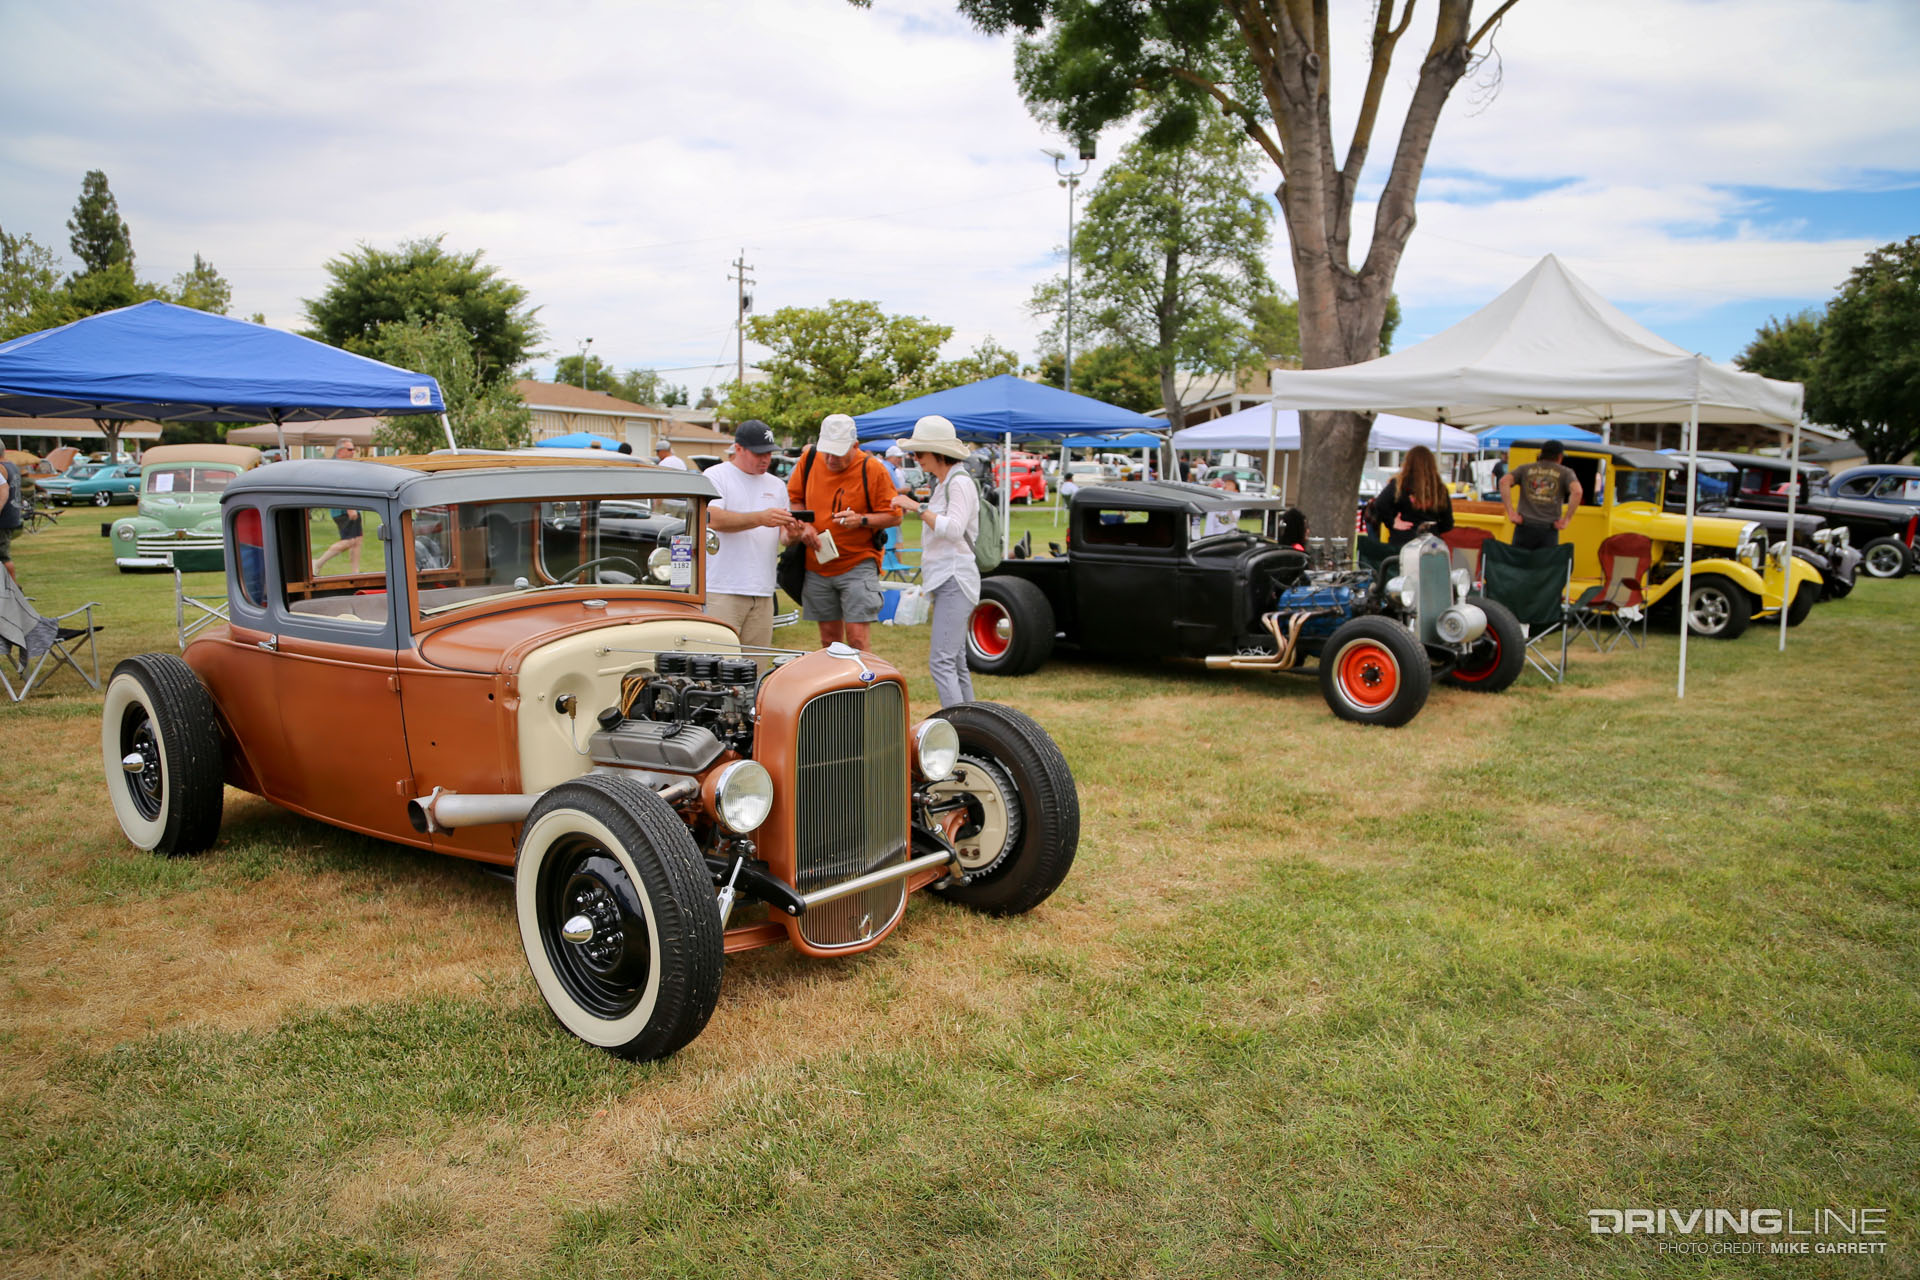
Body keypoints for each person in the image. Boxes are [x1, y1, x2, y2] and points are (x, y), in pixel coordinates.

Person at [788, 412, 899, 651]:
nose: (830, 459)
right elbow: (795, 499)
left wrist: (861, 520)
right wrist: (805, 525)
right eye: (826, 451)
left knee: (857, 639)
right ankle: (835, 677)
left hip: (858, 562)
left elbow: (894, 516)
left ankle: (862, 676)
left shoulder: (873, 469)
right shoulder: (809, 459)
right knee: (829, 641)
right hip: (817, 563)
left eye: (837, 453)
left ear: (855, 446)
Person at [889, 415, 978, 707]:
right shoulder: (945, 483)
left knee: (942, 662)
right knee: (955, 661)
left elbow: (953, 529)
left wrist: (917, 507)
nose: (915, 459)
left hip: (955, 577)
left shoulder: (959, 482)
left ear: (938, 452)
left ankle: (958, 725)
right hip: (948, 578)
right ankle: (971, 723)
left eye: (919, 452)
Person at [703, 420, 801, 663]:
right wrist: (760, 518)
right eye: (759, 453)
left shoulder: (776, 485)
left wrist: (793, 534)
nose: (765, 459)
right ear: (738, 448)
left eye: (769, 452)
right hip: (722, 589)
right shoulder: (716, 476)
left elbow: (783, 537)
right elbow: (712, 518)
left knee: (755, 668)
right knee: (719, 668)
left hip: (763, 590)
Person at [1499, 440, 1582, 550]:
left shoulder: (1525, 469)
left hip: (1524, 527)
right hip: (1549, 530)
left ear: (1541, 454)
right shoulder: (1566, 472)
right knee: (1546, 561)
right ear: (1559, 456)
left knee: (1519, 560)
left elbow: (1503, 482)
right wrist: (1566, 519)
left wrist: (1511, 513)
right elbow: (1577, 492)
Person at [1369, 445, 1455, 548]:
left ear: (1408, 463)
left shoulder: (1399, 484)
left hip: (1403, 542)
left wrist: (1391, 523)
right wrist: (1433, 529)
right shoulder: (1440, 489)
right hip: (1430, 544)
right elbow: (1448, 523)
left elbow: (1380, 504)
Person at [311, 439, 364, 574]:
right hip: (343, 510)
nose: (353, 452)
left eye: (354, 449)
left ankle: (355, 572)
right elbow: (341, 488)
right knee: (349, 541)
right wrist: (350, 508)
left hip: (351, 508)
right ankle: (318, 562)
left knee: (357, 540)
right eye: (350, 449)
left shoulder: (345, 465)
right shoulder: (337, 467)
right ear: (340, 451)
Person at [0, 453, 21, 582]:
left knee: (3, 556)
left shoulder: (1, 468)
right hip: (13, 514)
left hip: (3, 518)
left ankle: (13, 589)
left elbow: (3, 491)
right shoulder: (12, 465)